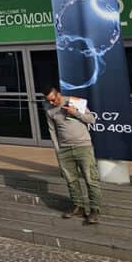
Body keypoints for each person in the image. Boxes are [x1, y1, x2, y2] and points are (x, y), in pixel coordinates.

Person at [44, 85, 101, 224]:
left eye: (53, 100)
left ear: (58, 95)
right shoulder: (49, 110)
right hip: (64, 150)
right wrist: (58, 150)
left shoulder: (74, 102)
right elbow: (52, 131)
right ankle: (78, 207)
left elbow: (91, 119)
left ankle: (94, 210)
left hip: (83, 147)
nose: (51, 103)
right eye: (48, 101)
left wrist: (75, 112)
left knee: (90, 179)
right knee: (71, 180)